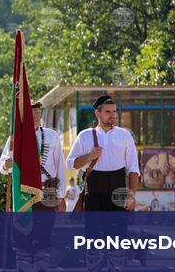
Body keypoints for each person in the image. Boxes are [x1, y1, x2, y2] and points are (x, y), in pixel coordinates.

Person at [66, 95, 139, 272]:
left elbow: (133, 167)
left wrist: (131, 194)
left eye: (114, 112)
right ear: (97, 113)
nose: (112, 115)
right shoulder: (85, 135)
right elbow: (70, 163)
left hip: (118, 193)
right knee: (94, 242)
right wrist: (89, 156)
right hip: (94, 195)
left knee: (117, 242)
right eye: (108, 112)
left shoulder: (124, 135)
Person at [0, 99, 66, 272]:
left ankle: (42, 267)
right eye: (31, 114)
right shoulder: (14, 138)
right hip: (23, 191)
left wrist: (61, 196)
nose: (35, 117)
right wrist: (7, 163)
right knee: (22, 232)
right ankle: (24, 266)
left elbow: (60, 166)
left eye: (37, 114)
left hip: (47, 190)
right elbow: (3, 167)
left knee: (44, 232)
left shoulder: (51, 136)